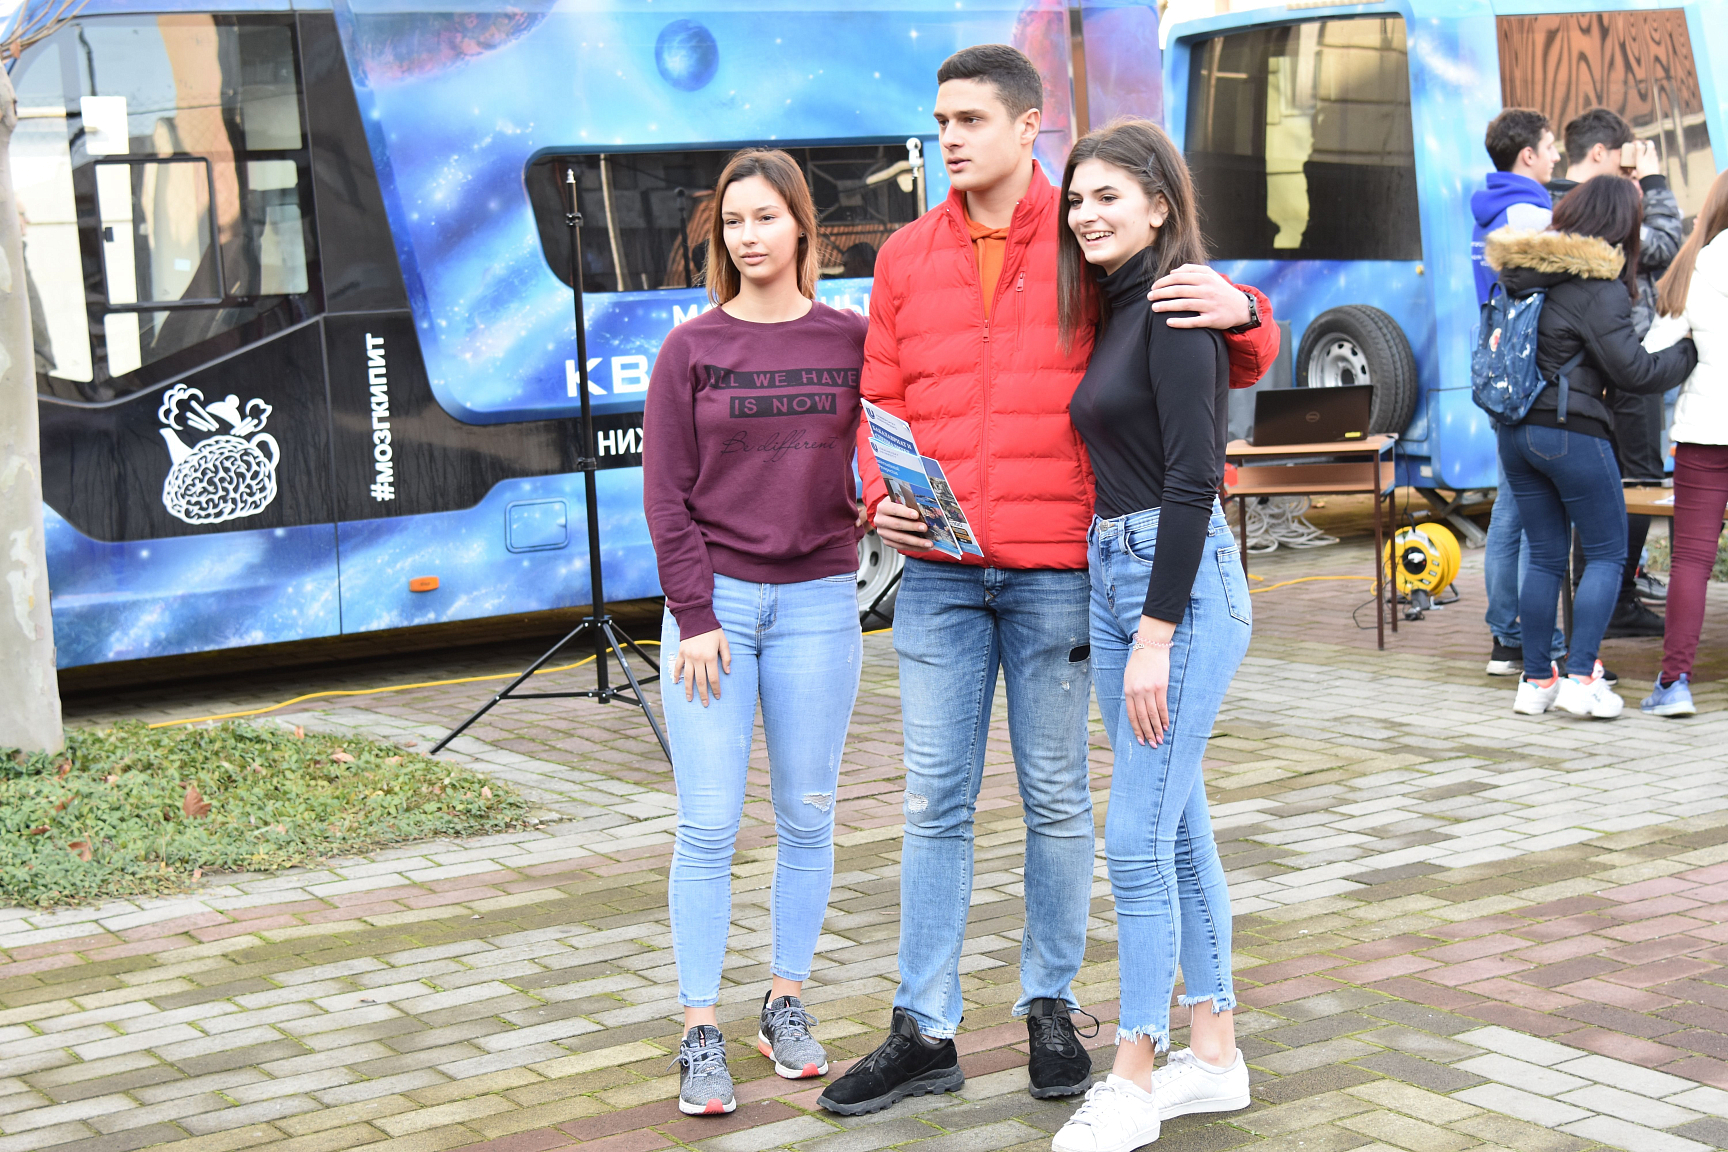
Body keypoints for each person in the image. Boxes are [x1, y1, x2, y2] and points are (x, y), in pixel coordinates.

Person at [817, 45, 1279, 1118]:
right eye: (941, 120)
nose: (950, 138)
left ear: (1030, 127)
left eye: (971, 119)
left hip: (1061, 570)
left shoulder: (1083, 239)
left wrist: (1247, 308)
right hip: (939, 575)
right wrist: (874, 493)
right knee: (934, 799)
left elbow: (1208, 340)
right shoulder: (905, 256)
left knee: (1062, 799)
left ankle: (1052, 1008)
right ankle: (924, 1028)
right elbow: (879, 395)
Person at [642, 148, 868, 1116]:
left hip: (820, 603)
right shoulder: (690, 349)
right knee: (708, 823)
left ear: (802, 226)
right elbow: (665, 497)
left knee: (807, 814)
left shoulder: (851, 339)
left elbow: (886, 451)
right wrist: (694, 615)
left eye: (766, 216)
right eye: (732, 221)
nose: (748, 235)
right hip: (717, 613)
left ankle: (784, 1001)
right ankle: (700, 1027)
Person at [1044, 118, 1253, 1152]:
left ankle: (1133, 1073)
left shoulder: (1176, 305)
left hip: (1179, 589)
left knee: (1133, 839)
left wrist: (1158, 635)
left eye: (1108, 197)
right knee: (1175, 828)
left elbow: (1192, 479)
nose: (1086, 215)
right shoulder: (1118, 306)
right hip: (1115, 574)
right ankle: (1212, 1057)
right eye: (1076, 199)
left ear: (1160, 205)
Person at [1488, 176, 1696, 719]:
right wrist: (1689, 352)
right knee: (1606, 552)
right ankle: (1581, 677)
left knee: (1545, 557)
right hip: (1570, 432)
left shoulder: (1524, 275)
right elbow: (1634, 371)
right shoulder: (1597, 286)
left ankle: (1537, 681)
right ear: (1619, 225)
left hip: (1515, 433)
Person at [1550, 108, 1684, 638]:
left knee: (1608, 483)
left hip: (1586, 369)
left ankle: (1601, 596)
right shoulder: (1599, 212)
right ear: (1601, 153)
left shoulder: (1556, 204)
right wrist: (1653, 181)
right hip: (1626, 360)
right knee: (1638, 480)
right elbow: (1666, 245)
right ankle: (1616, 600)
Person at [1471, 109, 1566, 676]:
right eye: (1550, 147)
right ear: (1527, 155)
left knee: (1510, 510)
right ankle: (1537, 641)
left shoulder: (1489, 208)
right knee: (1536, 515)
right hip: (1531, 376)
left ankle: (1506, 639)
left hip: (1498, 369)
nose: (1555, 156)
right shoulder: (1530, 211)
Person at [1641, 169, 1728, 717]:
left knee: (1692, 560)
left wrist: (1692, 350)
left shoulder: (1694, 266)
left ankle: (1674, 684)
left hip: (1705, 433)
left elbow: (1652, 352)